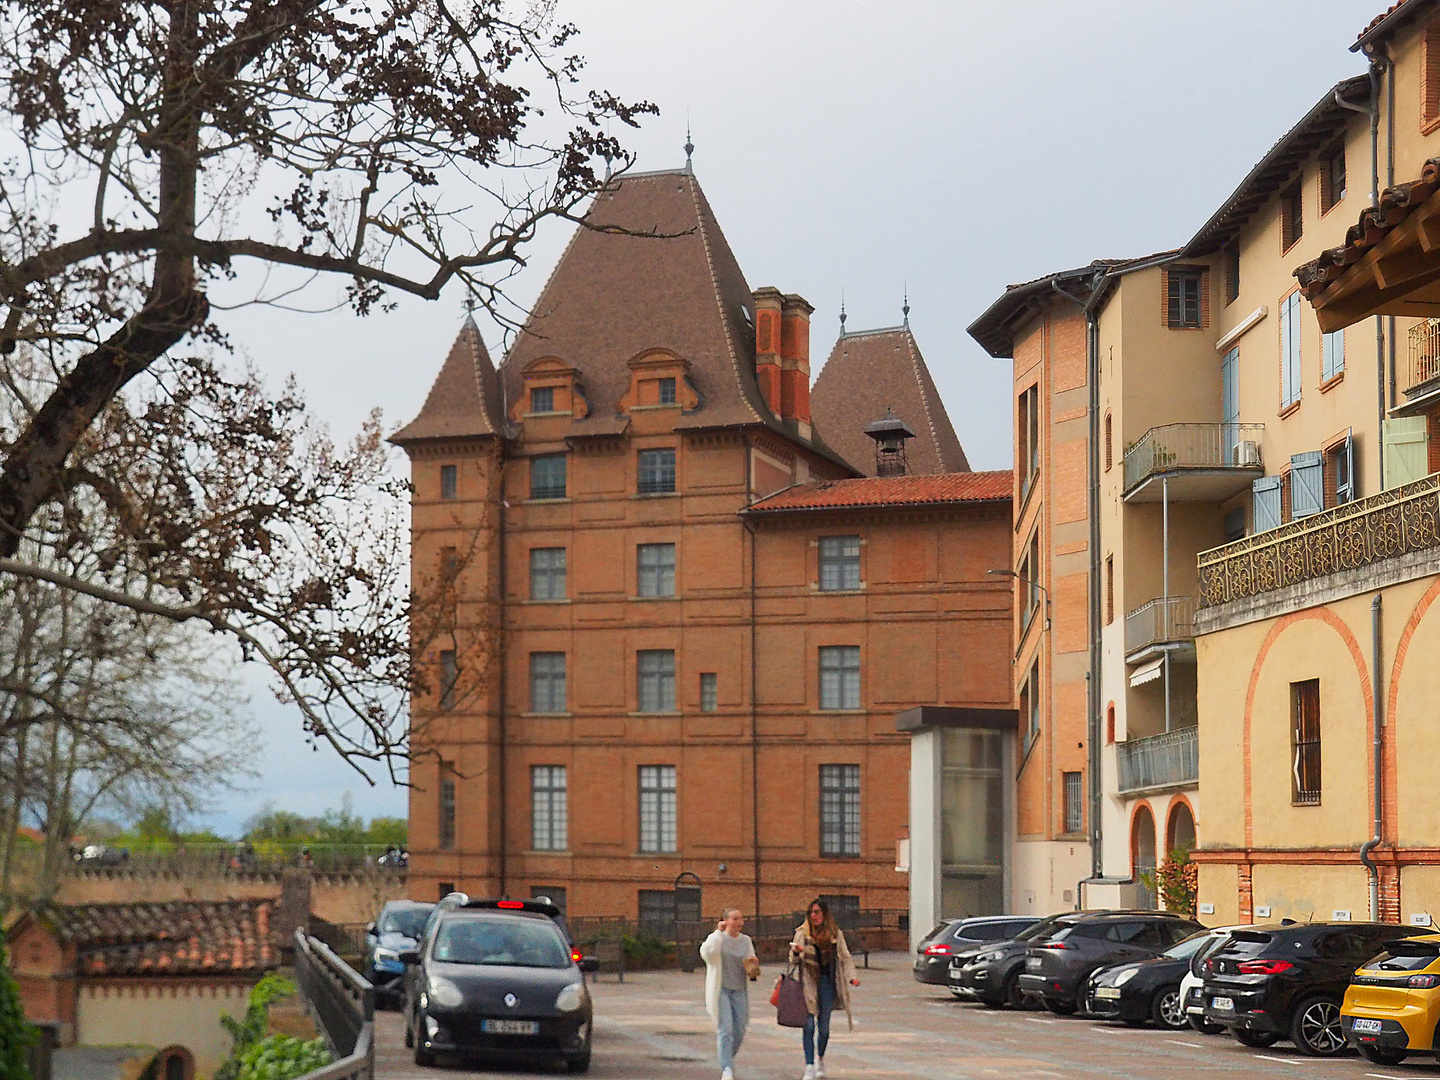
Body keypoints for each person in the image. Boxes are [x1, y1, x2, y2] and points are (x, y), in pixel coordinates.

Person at [789, 898, 859, 1080]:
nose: (814, 916)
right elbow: (793, 960)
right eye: (811, 912)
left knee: (824, 1027)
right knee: (809, 1026)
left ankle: (820, 1059)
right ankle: (809, 1066)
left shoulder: (835, 934)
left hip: (828, 982)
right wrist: (796, 953)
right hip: (808, 982)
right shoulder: (802, 933)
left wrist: (852, 977)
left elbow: (845, 956)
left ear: (825, 914)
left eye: (817, 912)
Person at [700, 907, 759, 1080]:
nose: (739, 922)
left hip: (739, 989)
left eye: (741, 919)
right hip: (721, 989)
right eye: (735, 919)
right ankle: (726, 1068)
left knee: (740, 1029)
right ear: (725, 921)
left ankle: (727, 1058)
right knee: (725, 1028)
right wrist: (718, 933)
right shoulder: (717, 938)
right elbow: (707, 954)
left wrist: (753, 964)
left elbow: (750, 961)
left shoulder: (746, 940)